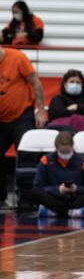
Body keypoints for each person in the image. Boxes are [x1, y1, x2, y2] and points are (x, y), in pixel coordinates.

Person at [0, 44, 46, 205]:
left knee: (27, 154)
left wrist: (41, 110)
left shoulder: (17, 57)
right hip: (1, 118)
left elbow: (36, 83)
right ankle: (1, 198)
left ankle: (27, 197)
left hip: (22, 115)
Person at [31, 131, 84, 218]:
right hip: (54, 197)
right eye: (62, 152)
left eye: (67, 151)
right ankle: (70, 212)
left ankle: (55, 212)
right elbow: (38, 186)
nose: (65, 155)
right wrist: (57, 190)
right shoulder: (46, 160)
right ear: (56, 147)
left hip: (75, 198)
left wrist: (76, 189)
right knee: (34, 192)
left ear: (72, 146)